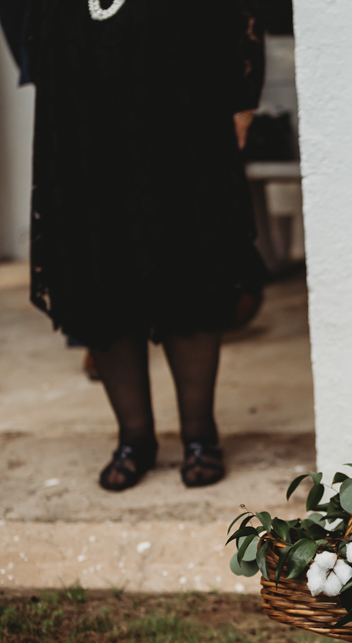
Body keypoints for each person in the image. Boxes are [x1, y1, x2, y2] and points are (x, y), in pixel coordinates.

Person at [23, 1, 268, 490]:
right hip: (82, 142)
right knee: (100, 276)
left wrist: (242, 100)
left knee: (187, 270)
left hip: (179, 137)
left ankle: (200, 434)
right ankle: (134, 437)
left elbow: (235, 19)